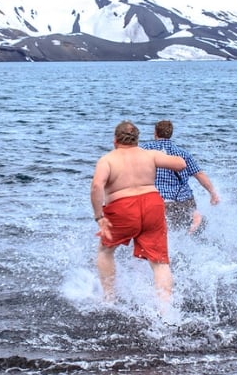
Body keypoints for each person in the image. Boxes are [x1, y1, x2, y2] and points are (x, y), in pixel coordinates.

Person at [90, 120, 186, 305]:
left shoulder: (108, 159)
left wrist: (99, 216)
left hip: (122, 207)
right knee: (159, 261)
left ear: (115, 140)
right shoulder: (149, 155)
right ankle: (167, 310)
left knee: (105, 251)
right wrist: (161, 155)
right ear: (137, 140)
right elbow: (181, 164)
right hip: (152, 205)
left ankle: (109, 299)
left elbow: (96, 186)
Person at [141, 120, 220, 234]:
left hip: (157, 200)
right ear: (170, 134)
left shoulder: (144, 149)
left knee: (163, 229)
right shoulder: (182, 153)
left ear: (155, 133)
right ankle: (194, 223)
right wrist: (213, 193)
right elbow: (199, 174)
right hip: (182, 201)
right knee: (183, 224)